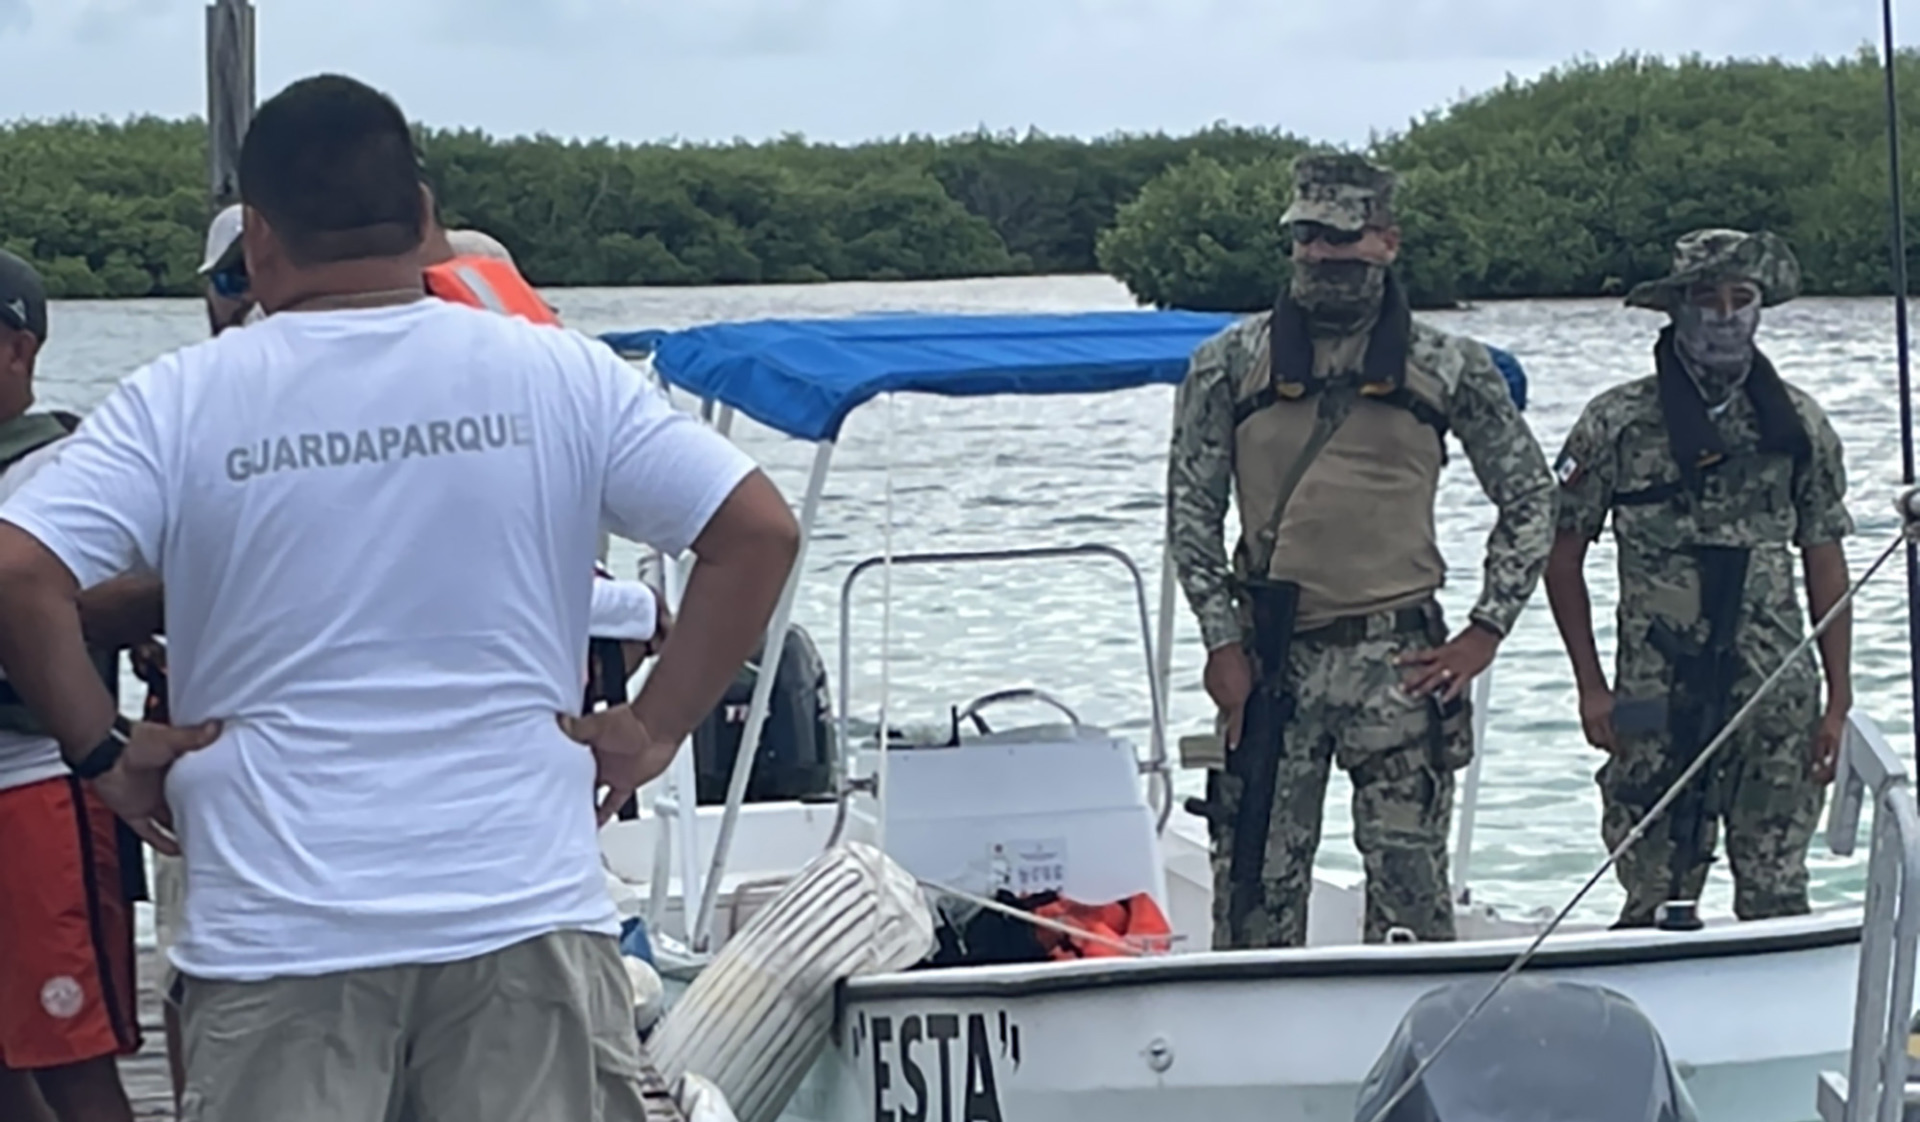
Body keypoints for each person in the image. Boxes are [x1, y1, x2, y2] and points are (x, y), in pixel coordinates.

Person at [0, 72, 798, 1122]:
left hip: (282, 931)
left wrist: (104, 754)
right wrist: (652, 728)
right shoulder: (561, 377)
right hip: (522, 911)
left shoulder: (185, 398)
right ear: (425, 217)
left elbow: (19, 570)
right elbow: (758, 531)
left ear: (262, 243)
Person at [1166, 151, 1556, 950]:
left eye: (1340, 238)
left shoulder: (1450, 365)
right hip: (1269, 661)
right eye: (1306, 237)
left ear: (1385, 241)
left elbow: (1532, 497)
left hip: (1401, 657)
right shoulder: (1228, 364)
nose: (1321, 257)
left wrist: (1484, 633)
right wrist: (1220, 640)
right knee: (1253, 893)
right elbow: (1190, 514)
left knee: (1412, 896)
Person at [1544, 228, 1853, 929]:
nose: (1724, 314)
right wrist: (1592, 685)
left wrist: (1838, 700)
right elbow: (1561, 557)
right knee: (1654, 887)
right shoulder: (1617, 422)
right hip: (1654, 686)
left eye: (1740, 298)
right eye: (1706, 298)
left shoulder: (1799, 424)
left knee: (1776, 889)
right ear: (1676, 308)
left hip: (1773, 688)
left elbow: (1825, 556)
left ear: (1759, 308)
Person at [0, 250, 168, 1122]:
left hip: (38, 789)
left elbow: (144, 593)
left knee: (67, 1051)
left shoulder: (68, 468)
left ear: (18, 348)